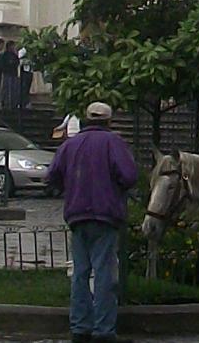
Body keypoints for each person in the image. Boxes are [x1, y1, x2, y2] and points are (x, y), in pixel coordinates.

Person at [52, 102, 137, 343]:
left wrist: (70, 187)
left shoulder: (71, 144)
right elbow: (129, 176)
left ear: (87, 119)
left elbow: (53, 175)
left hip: (77, 214)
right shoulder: (113, 143)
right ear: (109, 121)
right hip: (105, 215)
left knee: (80, 272)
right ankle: (103, 330)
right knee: (104, 274)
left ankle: (79, 327)